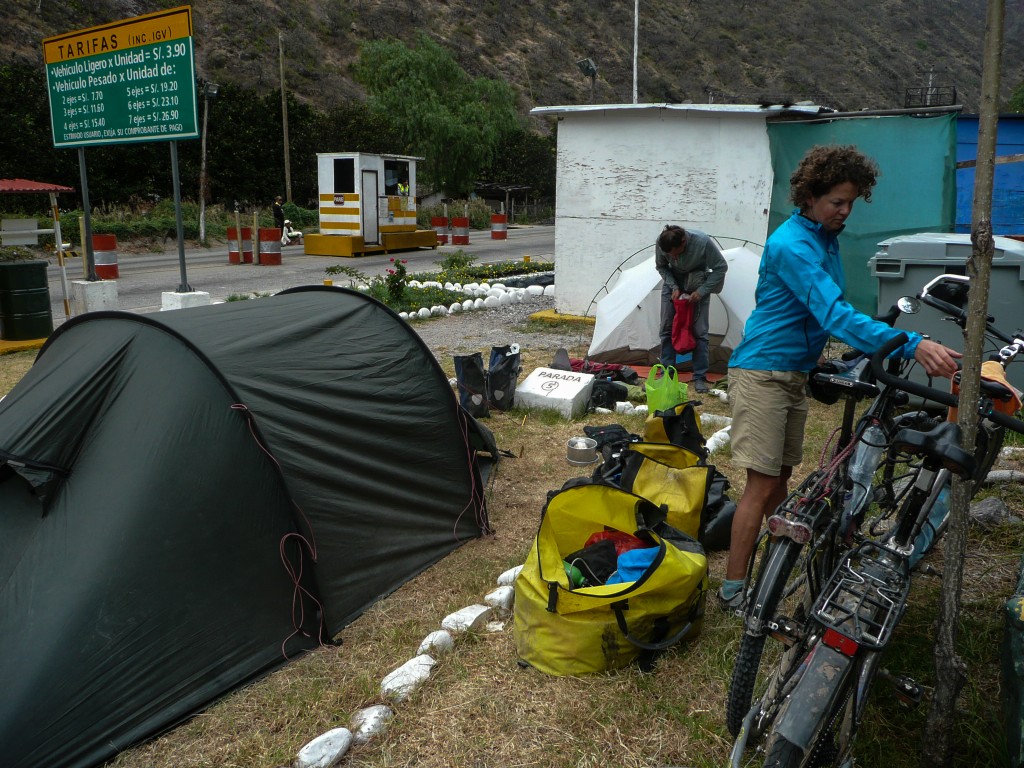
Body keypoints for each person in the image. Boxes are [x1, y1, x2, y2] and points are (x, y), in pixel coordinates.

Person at [718, 144, 961, 611]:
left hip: (792, 373)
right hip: (762, 372)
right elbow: (832, 313)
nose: (845, 212)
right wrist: (911, 344)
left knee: (782, 475)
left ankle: (779, 563)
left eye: (851, 202)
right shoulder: (793, 244)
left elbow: (829, 311)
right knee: (760, 483)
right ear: (809, 197)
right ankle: (733, 591)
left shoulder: (822, 240)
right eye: (837, 202)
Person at [655, 225, 728, 393]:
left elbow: (721, 267)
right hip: (672, 282)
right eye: (670, 255)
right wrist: (673, 286)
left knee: (700, 332)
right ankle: (667, 374)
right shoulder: (661, 243)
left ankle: (700, 377)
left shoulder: (702, 242)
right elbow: (661, 266)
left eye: (678, 253)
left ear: (684, 241)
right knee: (666, 328)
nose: (674, 257)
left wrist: (701, 291)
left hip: (698, 283)